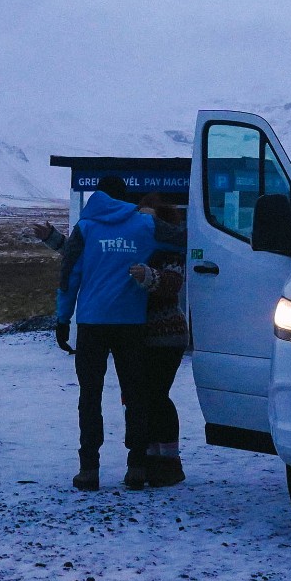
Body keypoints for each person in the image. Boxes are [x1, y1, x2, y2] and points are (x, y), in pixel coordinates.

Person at [54, 177, 156, 491]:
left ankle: (89, 469)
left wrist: (62, 318)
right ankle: (137, 465)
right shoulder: (144, 226)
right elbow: (175, 247)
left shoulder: (86, 228)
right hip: (132, 323)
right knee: (136, 394)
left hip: (92, 324)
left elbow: (69, 274)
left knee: (90, 396)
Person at [128, 195, 190, 487]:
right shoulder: (132, 246)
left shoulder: (170, 248)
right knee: (142, 397)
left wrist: (147, 276)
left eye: (149, 217)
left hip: (166, 335)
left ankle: (170, 460)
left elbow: (172, 284)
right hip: (139, 336)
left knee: (156, 396)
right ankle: (153, 457)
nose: (144, 222)